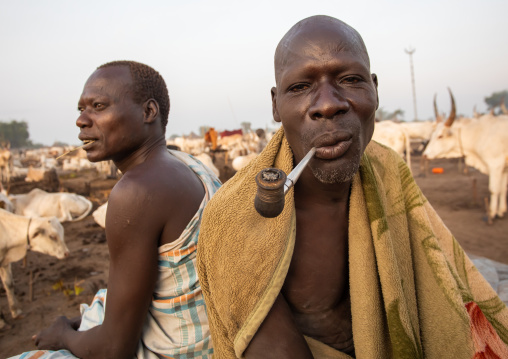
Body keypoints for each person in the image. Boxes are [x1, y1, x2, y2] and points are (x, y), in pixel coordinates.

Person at [196, 15, 508, 358]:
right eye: (300, 87)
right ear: (275, 104)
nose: (328, 104)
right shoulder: (233, 218)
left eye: (350, 79)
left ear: (374, 88)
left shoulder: (388, 169)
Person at [11, 61, 220, 359]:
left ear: (148, 112)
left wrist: (62, 335)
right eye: (81, 109)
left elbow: (113, 350)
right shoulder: (188, 164)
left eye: (98, 106)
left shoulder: (136, 190)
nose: (81, 120)